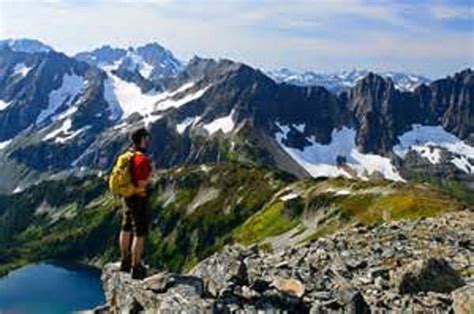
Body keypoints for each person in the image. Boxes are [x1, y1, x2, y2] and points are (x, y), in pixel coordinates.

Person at [119, 128, 153, 280]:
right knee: (139, 233)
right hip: (139, 199)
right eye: (147, 138)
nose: (149, 140)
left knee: (126, 227)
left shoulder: (127, 155)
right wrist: (151, 179)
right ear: (142, 139)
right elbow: (141, 182)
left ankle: (124, 260)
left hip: (127, 196)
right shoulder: (142, 159)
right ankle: (136, 266)